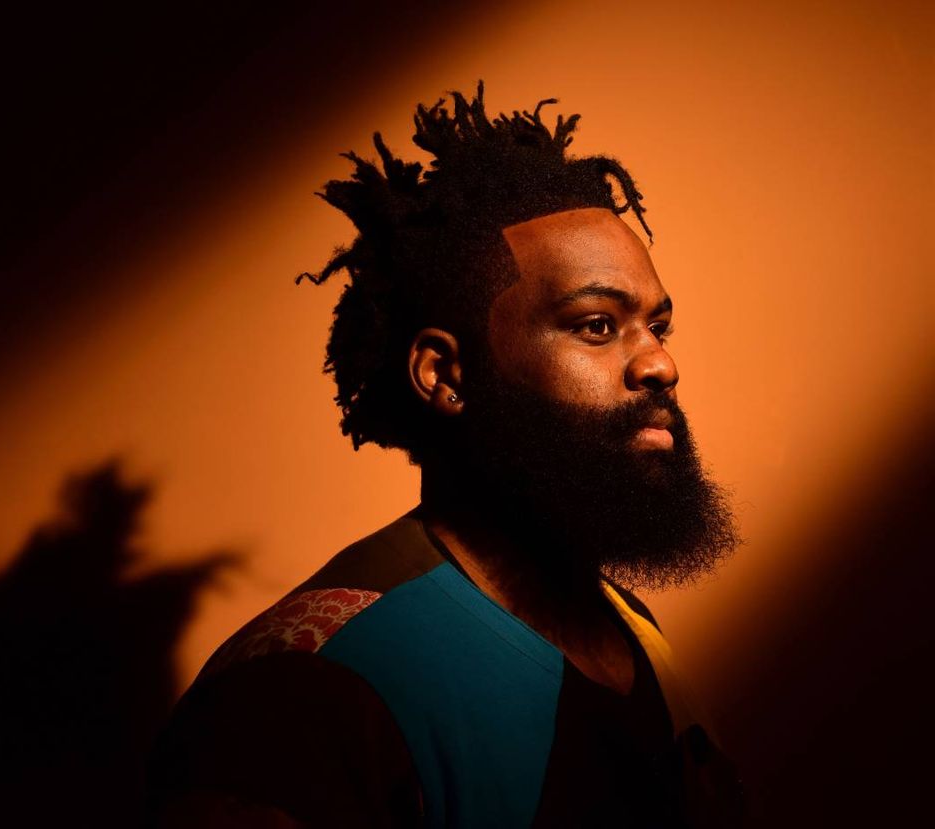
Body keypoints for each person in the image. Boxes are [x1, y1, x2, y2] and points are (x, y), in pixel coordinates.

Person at [147, 81, 745, 828]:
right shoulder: (302, 690)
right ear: (445, 375)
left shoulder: (634, 633)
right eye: (596, 325)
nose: (659, 363)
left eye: (658, 326)